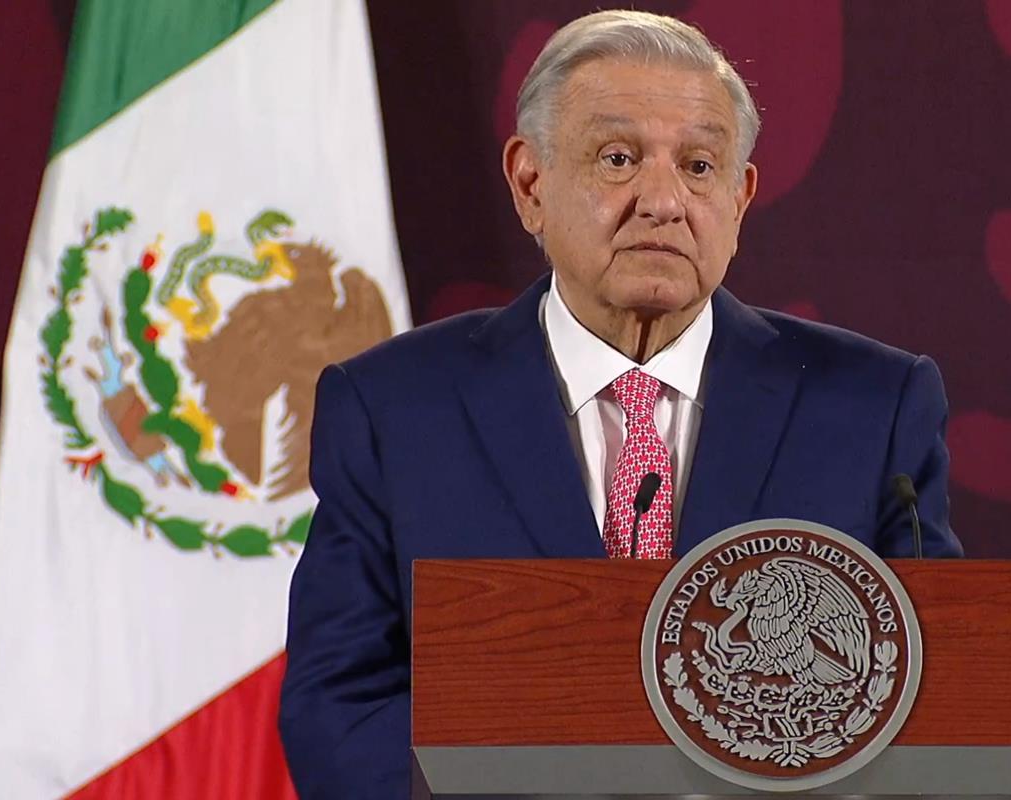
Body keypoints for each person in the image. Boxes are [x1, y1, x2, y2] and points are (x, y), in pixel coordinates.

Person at [279, 9, 962, 799]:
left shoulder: (870, 409)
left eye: (700, 166)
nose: (664, 201)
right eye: (617, 158)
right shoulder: (396, 410)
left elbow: (932, 698)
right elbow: (340, 709)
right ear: (530, 184)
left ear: (740, 197)